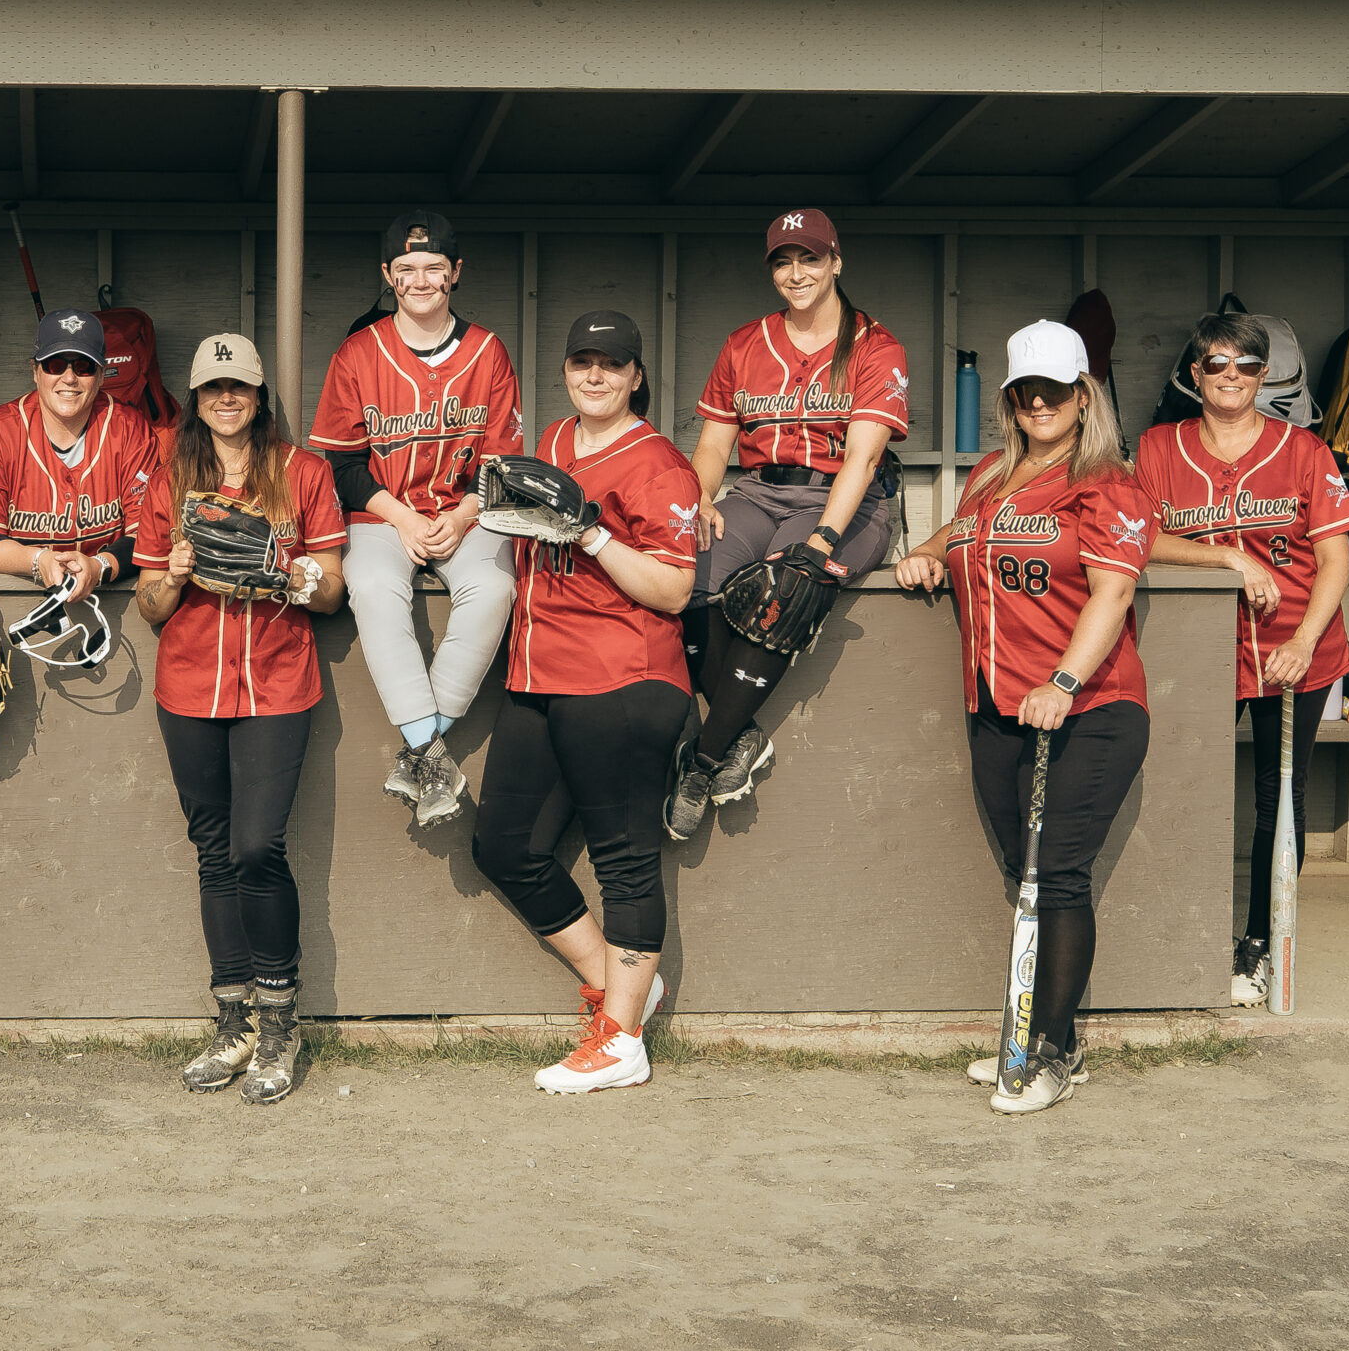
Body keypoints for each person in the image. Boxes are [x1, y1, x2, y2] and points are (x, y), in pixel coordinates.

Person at [895, 321, 1155, 1115]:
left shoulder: (1108, 482)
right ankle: (1047, 1037)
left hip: (1090, 708)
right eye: (1025, 392)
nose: (1039, 403)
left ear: (1085, 397)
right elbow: (963, 534)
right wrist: (928, 551)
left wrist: (1065, 680)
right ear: (1010, 400)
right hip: (997, 705)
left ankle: (1048, 1051)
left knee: (1059, 876)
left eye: (1056, 390)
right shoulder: (990, 474)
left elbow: (1114, 591)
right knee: (1025, 873)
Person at [471, 314, 701, 1094]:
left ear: (637, 375)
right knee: (503, 847)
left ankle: (621, 1041)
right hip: (539, 677)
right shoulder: (553, 443)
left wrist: (594, 536)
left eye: (612, 364)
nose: (595, 376)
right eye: (582, 362)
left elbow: (674, 588)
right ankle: (624, 987)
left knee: (623, 861)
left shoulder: (660, 464)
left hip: (621, 677)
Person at [137, 333, 348, 1105]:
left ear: (260, 396)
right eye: (213, 388)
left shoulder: (304, 472)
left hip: (277, 683)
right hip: (190, 684)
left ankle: (280, 1022)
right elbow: (150, 605)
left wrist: (292, 575)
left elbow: (333, 590)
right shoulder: (170, 476)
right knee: (214, 851)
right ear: (195, 399)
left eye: (240, 387)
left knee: (258, 847)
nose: (227, 399)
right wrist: (173, 576)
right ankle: (234, 1021)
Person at [1134, 314, 1349, 1006]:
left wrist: (1304, 642)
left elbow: (1335, 557)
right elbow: (1140, 539)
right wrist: (1229, 557)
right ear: (1194, 374)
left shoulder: (1304, 450)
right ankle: (1172, 930)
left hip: (1294, 647)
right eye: (1216, 363)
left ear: (1266, 376)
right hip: (1198, 648)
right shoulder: (1160, 446)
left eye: (1247, 364)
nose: (1231, 375)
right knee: (1176, 787)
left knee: (1278, 796)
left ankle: (1259, 939)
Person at [675, 207, 911, 839]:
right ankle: (741, 735)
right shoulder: (743, 343)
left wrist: (822, 541)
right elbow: (714, 445)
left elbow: (862, 459)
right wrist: (699, 501)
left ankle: (703, 761)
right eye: (783, 261)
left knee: (784, 590)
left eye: (811, 258)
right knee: (680, 579)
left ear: (836, 262)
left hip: (846, 500)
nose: (797, 273)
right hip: (758, 491)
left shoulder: (876, 345)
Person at [309, 210, 523, 827]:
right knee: (373, 585)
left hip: (467, 512)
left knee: (495, 588)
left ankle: (419, 752)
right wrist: (402, 518)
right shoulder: (358, 353)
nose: (421, 280)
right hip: (382, 513)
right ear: (388, 275)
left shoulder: (487, 352)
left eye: (434, 267)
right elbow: (341, 464)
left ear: (455, 273)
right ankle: (432, 753)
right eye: (407, 268)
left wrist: (463, 515)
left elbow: (502, 464)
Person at [0, 307, 158, 603]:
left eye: (84, 366)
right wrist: (38, 559)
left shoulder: (130, 430)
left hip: (111, 603)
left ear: (101, 375)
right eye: (55, 364)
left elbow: (147, 534)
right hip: (16, 602)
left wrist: (99, 566)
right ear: (35, 371)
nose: (69, 378)